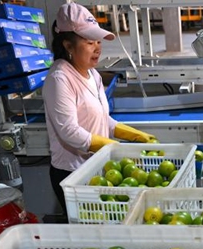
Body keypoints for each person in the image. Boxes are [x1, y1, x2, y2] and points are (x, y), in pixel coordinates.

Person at [43, 2, 154, 216]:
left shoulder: (92, 74)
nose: (97, 48)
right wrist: (114, 148)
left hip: (97, 168)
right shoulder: (60, 79)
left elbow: (103, 119)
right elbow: (70, 132)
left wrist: (133, 135)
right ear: (67, 45)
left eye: (98, 41)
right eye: (89, 42)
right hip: (73, 175)